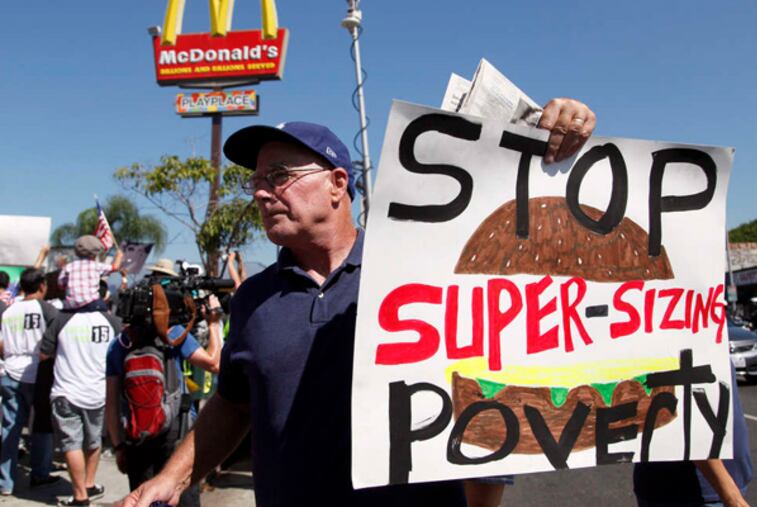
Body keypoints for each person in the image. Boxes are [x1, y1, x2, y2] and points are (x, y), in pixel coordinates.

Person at [115, 98, 595, 507]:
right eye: (256, 181)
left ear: (337, 183)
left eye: (279, 175)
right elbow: (234, 404)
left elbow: (491, 394)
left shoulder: (419, 274)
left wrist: (550, 137)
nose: (261, 192)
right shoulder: (253, 299)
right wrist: (171, 478)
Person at [105, 288, 223, 507]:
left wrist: (118, 446)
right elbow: (215, 363)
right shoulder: (173, 333)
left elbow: (111, 403)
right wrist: (214, 324)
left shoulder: (119, 343)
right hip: (177, 435)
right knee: (183, 498)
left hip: (137, 437)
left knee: (143, 500)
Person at [633, 364, 753, 507]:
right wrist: (732, 497)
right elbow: (689, 421)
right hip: (696, 490)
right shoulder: (677, 344)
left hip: (722, 483)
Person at [39, 299, 122, 506]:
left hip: (66, 391)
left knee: (71, 443)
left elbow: (43, 353)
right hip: (99, 392)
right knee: (94, 440)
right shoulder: (111, 321)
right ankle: (89, 484)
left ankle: (80, 496)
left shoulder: (62, 319)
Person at [0, 268, 60, 494]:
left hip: (9, 372)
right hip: (39, 373)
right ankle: (40, 474)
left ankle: (5, 482)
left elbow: (1, 343)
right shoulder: (47, 310)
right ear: (42, 286)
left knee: (10, 427)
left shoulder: (8, 310)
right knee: (42, 426)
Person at [58, 235, 123, 312]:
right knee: (107, 314)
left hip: (71, 305)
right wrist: (119, 256)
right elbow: (114, 268)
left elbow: (61, 284)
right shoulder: (96, 266)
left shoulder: (69, 267)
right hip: (92, 304)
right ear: (95, 253)